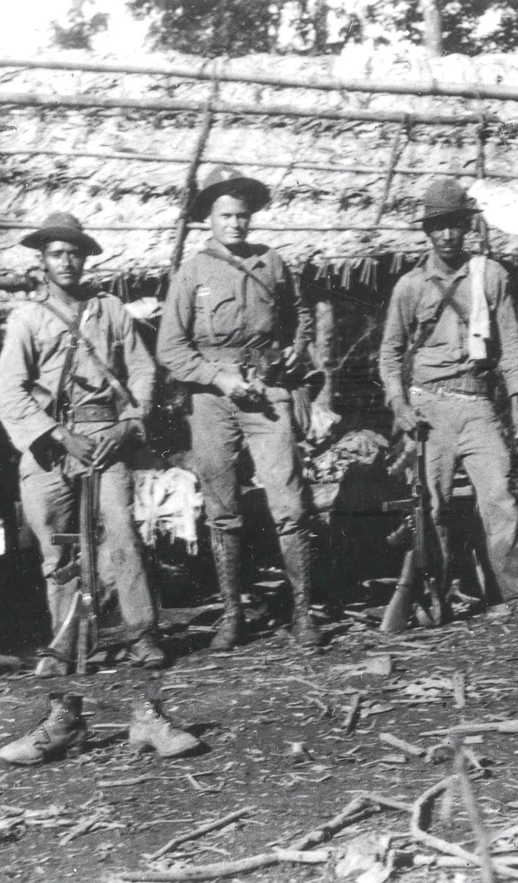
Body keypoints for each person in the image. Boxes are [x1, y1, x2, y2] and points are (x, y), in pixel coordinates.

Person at [156, 168, 323, 648]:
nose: (236, 224)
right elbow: (171, 348)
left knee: (289, 502)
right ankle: (232, 614)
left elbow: (300, 313)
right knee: (222, 508)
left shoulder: (272, 262)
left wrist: (297, 346)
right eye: (226, 216)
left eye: (243, 216)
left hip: (268, 392)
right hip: (212, 398)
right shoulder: (192, 271)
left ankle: (304, 613)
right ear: (209, 218)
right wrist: (218, 377)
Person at [0, 213, 165, 676]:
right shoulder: (27, 319)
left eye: (74, 252)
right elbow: (8, 393)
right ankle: (65, 641)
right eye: (56, 253)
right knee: (59, 548)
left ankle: (141, 634)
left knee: (121, 535)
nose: (66, 261)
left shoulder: (110, 309)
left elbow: (143, 371)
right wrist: (58, 435)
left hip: (106, 440)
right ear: (42, 262)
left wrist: (128, 424)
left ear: (86, 257)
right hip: (50, 445)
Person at [377, 178, 518, 629]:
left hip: (477, 405)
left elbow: (510, 342)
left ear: (466, 225)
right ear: (427, 232)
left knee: (500, 499)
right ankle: (436, 592)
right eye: (438, 227)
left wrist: (517, 399)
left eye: (454, 225)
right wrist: (399, 404)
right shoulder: (410, 287)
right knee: (431, 509)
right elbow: (390, 355)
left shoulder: (490, 276)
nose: (447, 235)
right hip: (428, 408)